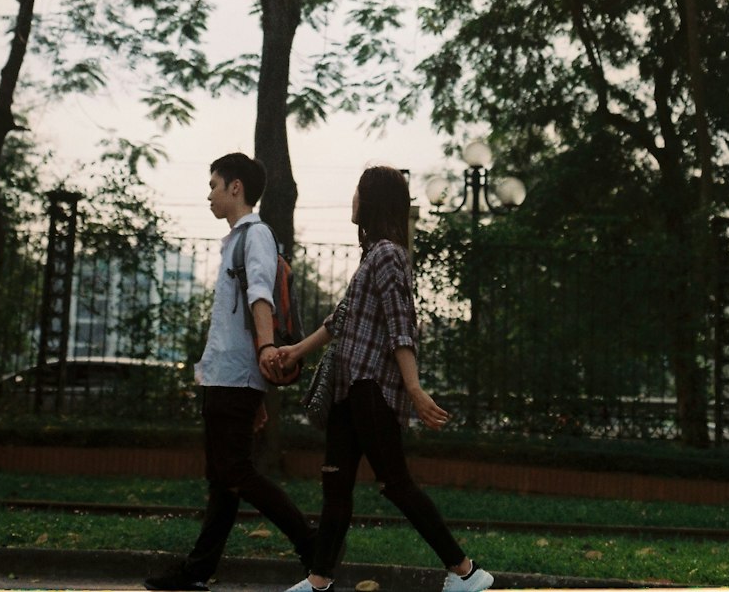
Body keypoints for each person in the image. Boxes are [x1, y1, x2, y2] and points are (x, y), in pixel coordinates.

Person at [275, 166, 494, 592]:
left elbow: (401, 326)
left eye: (357, 192)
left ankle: (465, 572)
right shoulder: (372, 256)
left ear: (371, 200)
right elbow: (340, 320)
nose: (352, 200)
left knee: (396, 484)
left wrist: (413, 388)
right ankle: (318, 582)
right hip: (347, 390)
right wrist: (296, 351)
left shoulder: (389, 255)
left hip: (370, 389)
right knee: (335, 485)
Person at [144, 153, 315, 592]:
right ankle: (197, 571)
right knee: (222, 479)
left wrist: (265, 353)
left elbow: (261, 297)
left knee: (236, 473)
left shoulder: (255, 236)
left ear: (235, 188)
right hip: (226, 375)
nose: (210, 194)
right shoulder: (237, 241)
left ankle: (315, 549)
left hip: (235, 375)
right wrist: (256, 387)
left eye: (215, 185)